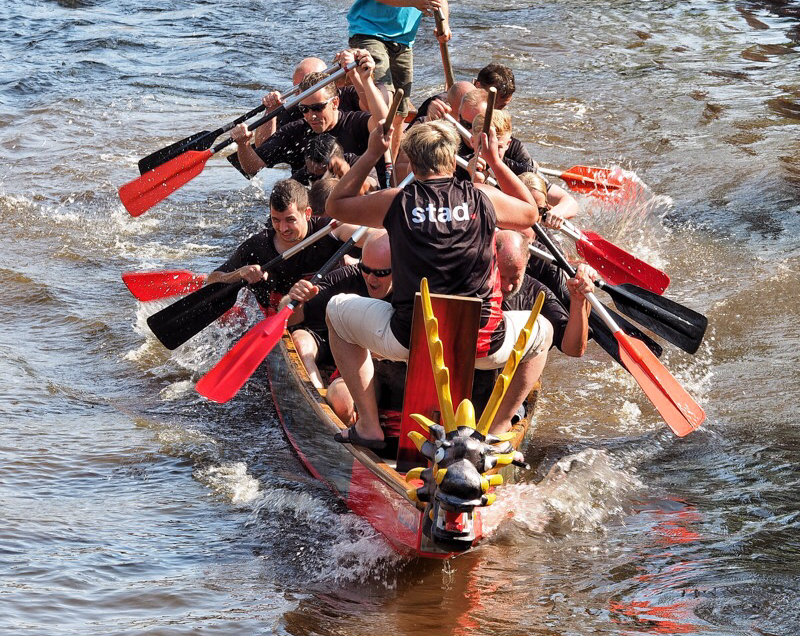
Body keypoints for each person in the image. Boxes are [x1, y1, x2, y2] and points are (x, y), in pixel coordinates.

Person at [324, 119, 552, 449]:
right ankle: (497, 432)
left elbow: (334, 205)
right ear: (452, 158)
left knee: (335, 312)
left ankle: (370, 427)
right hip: (483, 346)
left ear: (412, 162)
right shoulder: (484, 197)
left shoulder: (396, 202)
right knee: (542, 332)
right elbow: (531, 213)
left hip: (413, 341)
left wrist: (373, 152)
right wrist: (496, 160)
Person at [279, 231, 393, 423]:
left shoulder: (413, 288)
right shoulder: (348, 276)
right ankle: (315, 401)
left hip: (384, 364)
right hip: (334, 346)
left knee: (342, 398)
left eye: (381, 273)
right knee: (300, 340)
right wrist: (293, 300)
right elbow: (287, 317)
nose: (371, 279)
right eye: (366, 269)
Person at [205, 179, 363, 309]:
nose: (282, 228)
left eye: (290, 220)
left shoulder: (329, 229)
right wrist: (240, 273)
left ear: (307, 213)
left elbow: (370, 236)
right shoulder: (257, 246)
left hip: (331, 309)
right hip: (286, 318)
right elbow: (212, 280)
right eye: (276, 220)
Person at [231, 49, 388, 178]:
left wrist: (363, 78)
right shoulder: (295, 128)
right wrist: (243, 144)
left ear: (335, 102)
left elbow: (384, 123)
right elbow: (252, 167)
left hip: (356, 194)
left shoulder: (357, 120)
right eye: (304, 109)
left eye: (318, 108)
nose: (311, 115)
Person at [347, 0, 451, 159]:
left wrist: (445, 25)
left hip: (404, 40)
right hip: (369, 32)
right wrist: (413, 2)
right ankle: (370, 162)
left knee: (399, 113)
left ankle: (390, 171)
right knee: (385, 99)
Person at [495, 230, 597, 357]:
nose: (507, 286)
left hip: (511, 367)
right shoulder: (470, 280)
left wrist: (579, 301)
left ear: (526, 263)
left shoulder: (537, 293)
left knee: (545, 329)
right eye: (501, 277)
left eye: (515, 278)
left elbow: (573, 350)